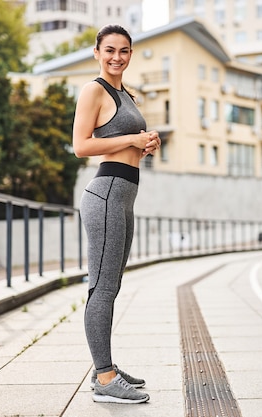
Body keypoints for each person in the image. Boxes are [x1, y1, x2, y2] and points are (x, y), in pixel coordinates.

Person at [72, 24, 160, 404]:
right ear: (96, 52)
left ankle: (104, 367)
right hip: (106, 195)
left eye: (124, 50)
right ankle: (105, 378)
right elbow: (81, 145)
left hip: (124, 196)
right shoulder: (94, 89)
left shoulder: (126, 94)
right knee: (102, 287)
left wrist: (148, 143)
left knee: (112, 285)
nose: (116, 57)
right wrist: (131, 139)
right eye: (109, 50)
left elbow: (126, 145)